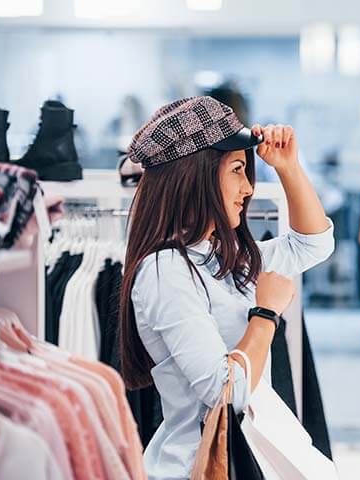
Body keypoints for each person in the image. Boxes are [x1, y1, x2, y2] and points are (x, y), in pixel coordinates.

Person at [117, 96, 334, 480]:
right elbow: (224, 393)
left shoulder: (223, 256)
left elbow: (313, 244)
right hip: (201, 466)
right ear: (195, 176)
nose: (248, 188)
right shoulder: (165, 269)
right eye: (236, 170)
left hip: (247, 456)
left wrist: (288, 168)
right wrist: (266, 314)